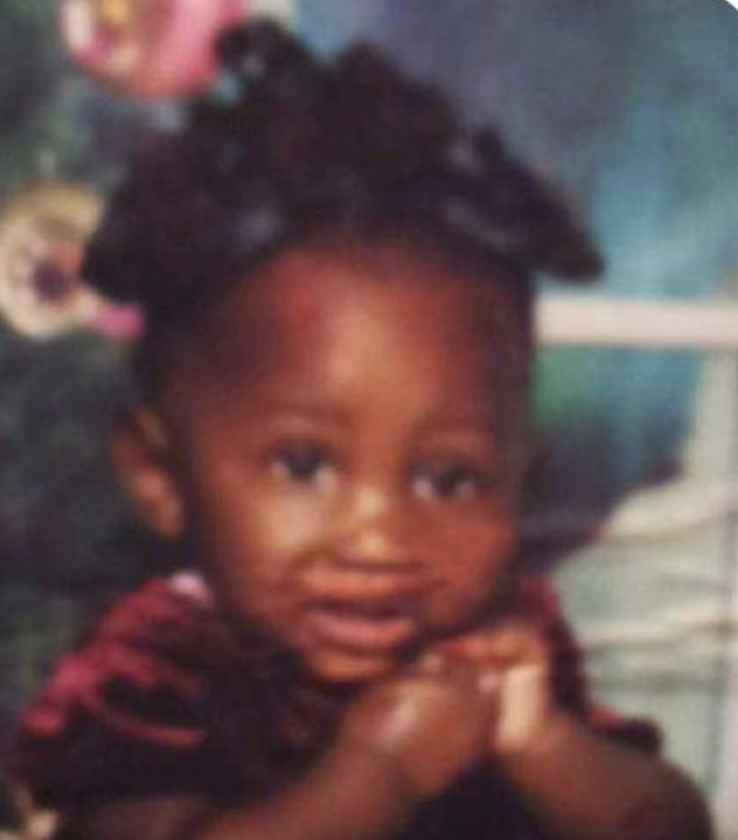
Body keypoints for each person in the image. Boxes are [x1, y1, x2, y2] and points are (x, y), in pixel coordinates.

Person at [9, 20, 711, 840]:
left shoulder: (498, 641)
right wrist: (380, 774)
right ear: (160, 478)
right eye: (304, 466)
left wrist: (545, 746)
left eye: (449, 480)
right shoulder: (157, 671)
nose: (378, 539)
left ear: (523, 478)